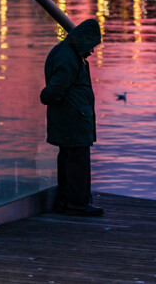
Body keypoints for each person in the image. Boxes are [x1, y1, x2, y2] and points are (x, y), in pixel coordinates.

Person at [40, 18, 103, 216]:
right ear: (83, 40)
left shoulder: (67, 53)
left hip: (71, 119)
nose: (92, 51)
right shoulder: (69, 57)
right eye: (91, 45)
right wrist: (46, 96)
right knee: (77, 162)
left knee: (69, 159)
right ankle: (77, 202)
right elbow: (55, 88)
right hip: (73, 120)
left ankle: (66, 201)